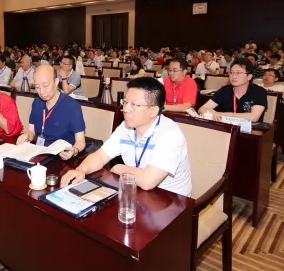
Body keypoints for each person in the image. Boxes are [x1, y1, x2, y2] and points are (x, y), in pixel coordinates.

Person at [61, 77, 192, 196]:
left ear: (153, 111)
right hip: (135, 191)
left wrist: (118, 168)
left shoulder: (170, 134)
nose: (125, 109)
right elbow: (100, 156)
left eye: (134, 104)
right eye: (125, 102)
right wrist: (81, 170)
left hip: (170, 200)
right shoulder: (125, 127)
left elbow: (147, 181)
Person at [16, 65, 85, 160]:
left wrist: (74, 150)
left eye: (45, 86)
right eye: (37, 87)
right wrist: (26, 135)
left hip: (60, 157)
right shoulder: (37, 102)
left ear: (56, 82)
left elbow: (81, 141)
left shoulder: (72, 106)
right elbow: (31, 131)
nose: (41, 92)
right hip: (38, 153)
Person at [198, 57, 268, 122]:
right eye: (231, 72)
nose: (233, 76)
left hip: (250, 129)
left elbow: (254, 117)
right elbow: (202, 109)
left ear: (249, 76)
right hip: (227, 128)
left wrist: (225, 115)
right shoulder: (225, 90)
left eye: (238, 73)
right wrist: (215, 113)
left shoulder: (259, 92)